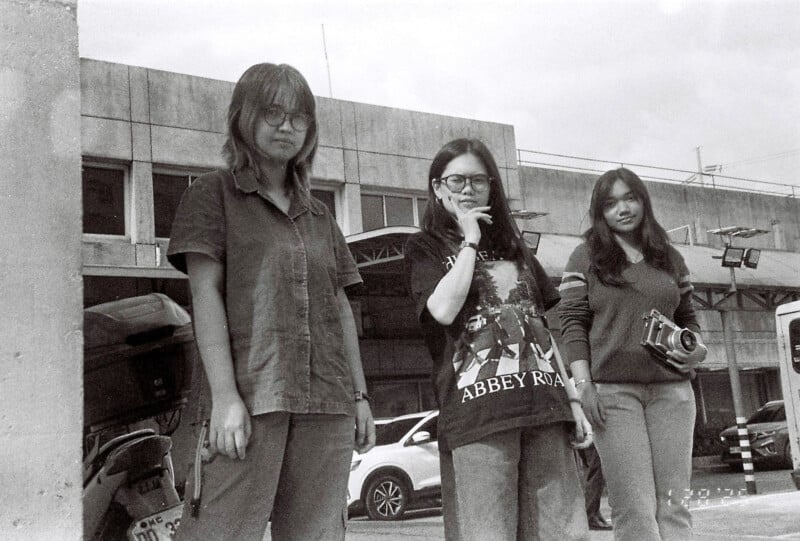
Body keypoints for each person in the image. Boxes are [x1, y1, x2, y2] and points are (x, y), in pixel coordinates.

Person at [167, 62, 375, 541]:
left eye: (299, 117)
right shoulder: (212, 194)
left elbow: (341, 309)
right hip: (248, 398)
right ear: (244, 117)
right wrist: (224, 399)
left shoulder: (320, 214)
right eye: (273, 113)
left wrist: (360, 396)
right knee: (219, 533)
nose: (287, 126)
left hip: (328, 402)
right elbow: (206, 296)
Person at [405, 138, 591, 541]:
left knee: (564, 533)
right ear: (438, 187)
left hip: (544, 406)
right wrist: (469, 239)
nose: (468, 189)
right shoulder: (424, 247)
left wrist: (572, 399)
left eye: (479, 180)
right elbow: (442, 311)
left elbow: (541, 327)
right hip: (478, 414)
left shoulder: (515, 248)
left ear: (493, 187)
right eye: (457, 180)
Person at [558, 167, 708, 541]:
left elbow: (687, 318)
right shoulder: (584, 257)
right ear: (600, 211)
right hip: (613, 395)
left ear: (643, 201)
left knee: (674, 504)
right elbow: (572, 324)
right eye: (610, 203)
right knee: (634, 508)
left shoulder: (670, 258)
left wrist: (697, 349)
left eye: (630, 198)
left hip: (673, 393)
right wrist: (583, 386)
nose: (622, 209)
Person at [578, 443, 612, 531]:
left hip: (586, 436)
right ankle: (591, 514)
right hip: (591, 436)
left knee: (593, 469)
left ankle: (593, 513)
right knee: (595, 470)